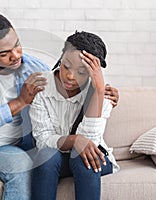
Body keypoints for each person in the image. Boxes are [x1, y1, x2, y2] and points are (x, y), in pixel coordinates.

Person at [0, 12, 119, 200]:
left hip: (5, 149)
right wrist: (19, 102)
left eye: (17, 46)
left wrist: (100, 92)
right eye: (4, 53)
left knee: (25, 168)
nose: (15, 56)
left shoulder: (34, 69)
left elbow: (66, 81)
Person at [29, 31, 120, 200]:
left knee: (84, 160)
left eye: (82, 72)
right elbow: (43, 139)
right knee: (45, 157)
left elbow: (89, 144)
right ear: (61, 58)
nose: (70, 76)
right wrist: (74, 140)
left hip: (94, 157)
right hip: (57, 158)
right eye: (66, 66)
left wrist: (98, 91)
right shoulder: (41, 86)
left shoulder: (103, 94)